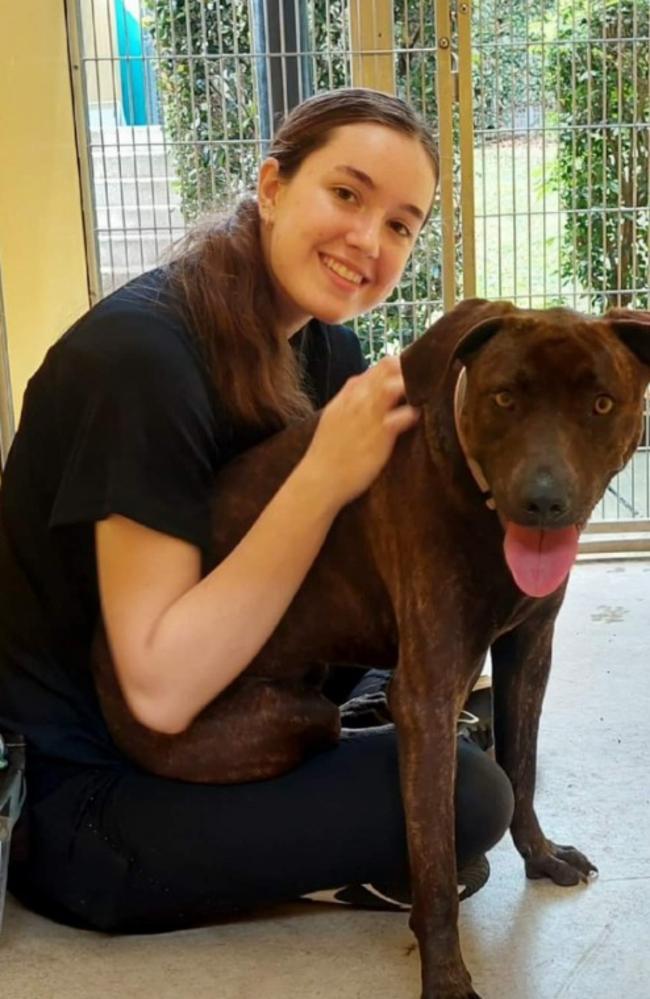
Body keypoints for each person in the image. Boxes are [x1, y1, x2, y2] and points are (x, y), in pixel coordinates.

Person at [0, 88, 513, 932]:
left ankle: (341, 782)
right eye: (346, 194)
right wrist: (323, 472)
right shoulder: (138, 365)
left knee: (440, 676)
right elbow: (160, 691)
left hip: (236, 692)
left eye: (401, 224)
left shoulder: (325, 344)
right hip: (92, 791)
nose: (367, 241)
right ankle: (339, 845)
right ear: (272, 186)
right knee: (468, 793)